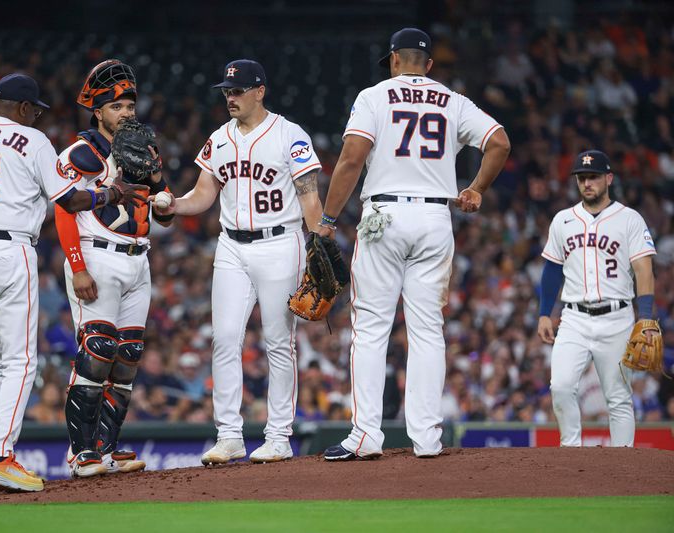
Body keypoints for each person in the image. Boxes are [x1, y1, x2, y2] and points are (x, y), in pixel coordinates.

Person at [0, 72, 147, 492]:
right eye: (34, 111)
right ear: (24, 108)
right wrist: (111, 195)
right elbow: (71, 200)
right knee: (21, 360)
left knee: (5, 360)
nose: (36, 118)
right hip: (10, 251)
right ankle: (0, 456)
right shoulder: (32, 140)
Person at [317, 28, 511, 460]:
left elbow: (351, 158)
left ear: (392, 61)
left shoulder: (374, 96)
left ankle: (366, 436)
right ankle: (427, 439)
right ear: (428, 65)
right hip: (435, 218)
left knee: (370, 330)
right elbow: (499, 142)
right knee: (428, 331)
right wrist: (476, 187)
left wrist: (328, 220)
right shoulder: (453, 100)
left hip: (383, 218)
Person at [156, 59, 323, 464]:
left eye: (238, 90)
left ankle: (279, 436)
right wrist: (174, 205)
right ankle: (229, 434)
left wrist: (318, 246)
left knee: (278, 343)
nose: (230, 97)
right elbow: (203, 194)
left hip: (280, 243)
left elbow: (309, 198)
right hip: (231, 245)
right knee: (224, 338)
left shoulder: (289, 135)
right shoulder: (219, 138)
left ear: (260, 91)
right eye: (227, 91)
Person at [55, 59, 172, 477]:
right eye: (117, 106)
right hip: (97, 255)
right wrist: (78, 267)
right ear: (98, 111)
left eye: (129, 104)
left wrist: (164, 198)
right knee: (97, 350)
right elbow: (65, 212)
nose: (126, 111)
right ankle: (81, 452)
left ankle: (107, 449)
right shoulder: (81, 152)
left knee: (128, 356)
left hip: (139, 258)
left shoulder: (144, 147)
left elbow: (162, 210)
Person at [537, 150, 657, 447]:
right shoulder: (563, 220)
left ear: (609, 178)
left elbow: (644, 269)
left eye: (593, 177)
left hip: (617, 318)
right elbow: (552, 270)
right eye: (582, 178)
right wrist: (543, 313)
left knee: (618, 397)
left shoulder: (629, 219)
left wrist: (645, 317)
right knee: (561, 386)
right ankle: (571, 451)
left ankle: (622, 463)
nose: (587, 183)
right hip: (574, 318)